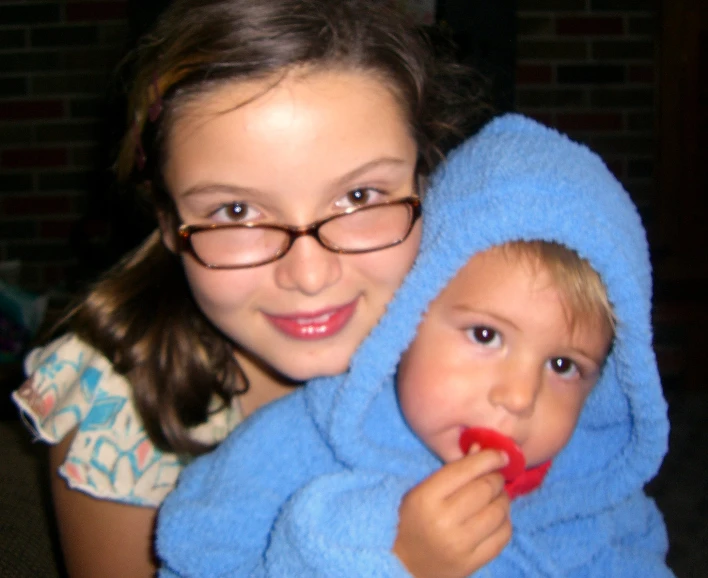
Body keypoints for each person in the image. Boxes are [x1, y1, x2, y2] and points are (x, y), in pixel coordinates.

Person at [10, 1, 492, 576]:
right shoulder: (118, 407)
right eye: (236, 210)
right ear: (166, 221)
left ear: (426, 179)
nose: (310, 276)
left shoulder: (486, 337)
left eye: (360, 197)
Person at [156, 114, 673, 578]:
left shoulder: (599, 494)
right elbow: (199, 559)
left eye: (563, 364)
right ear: (409, 313)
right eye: (485, 335)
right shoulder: (294, 446)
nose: (518, 397)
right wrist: (397, 564)